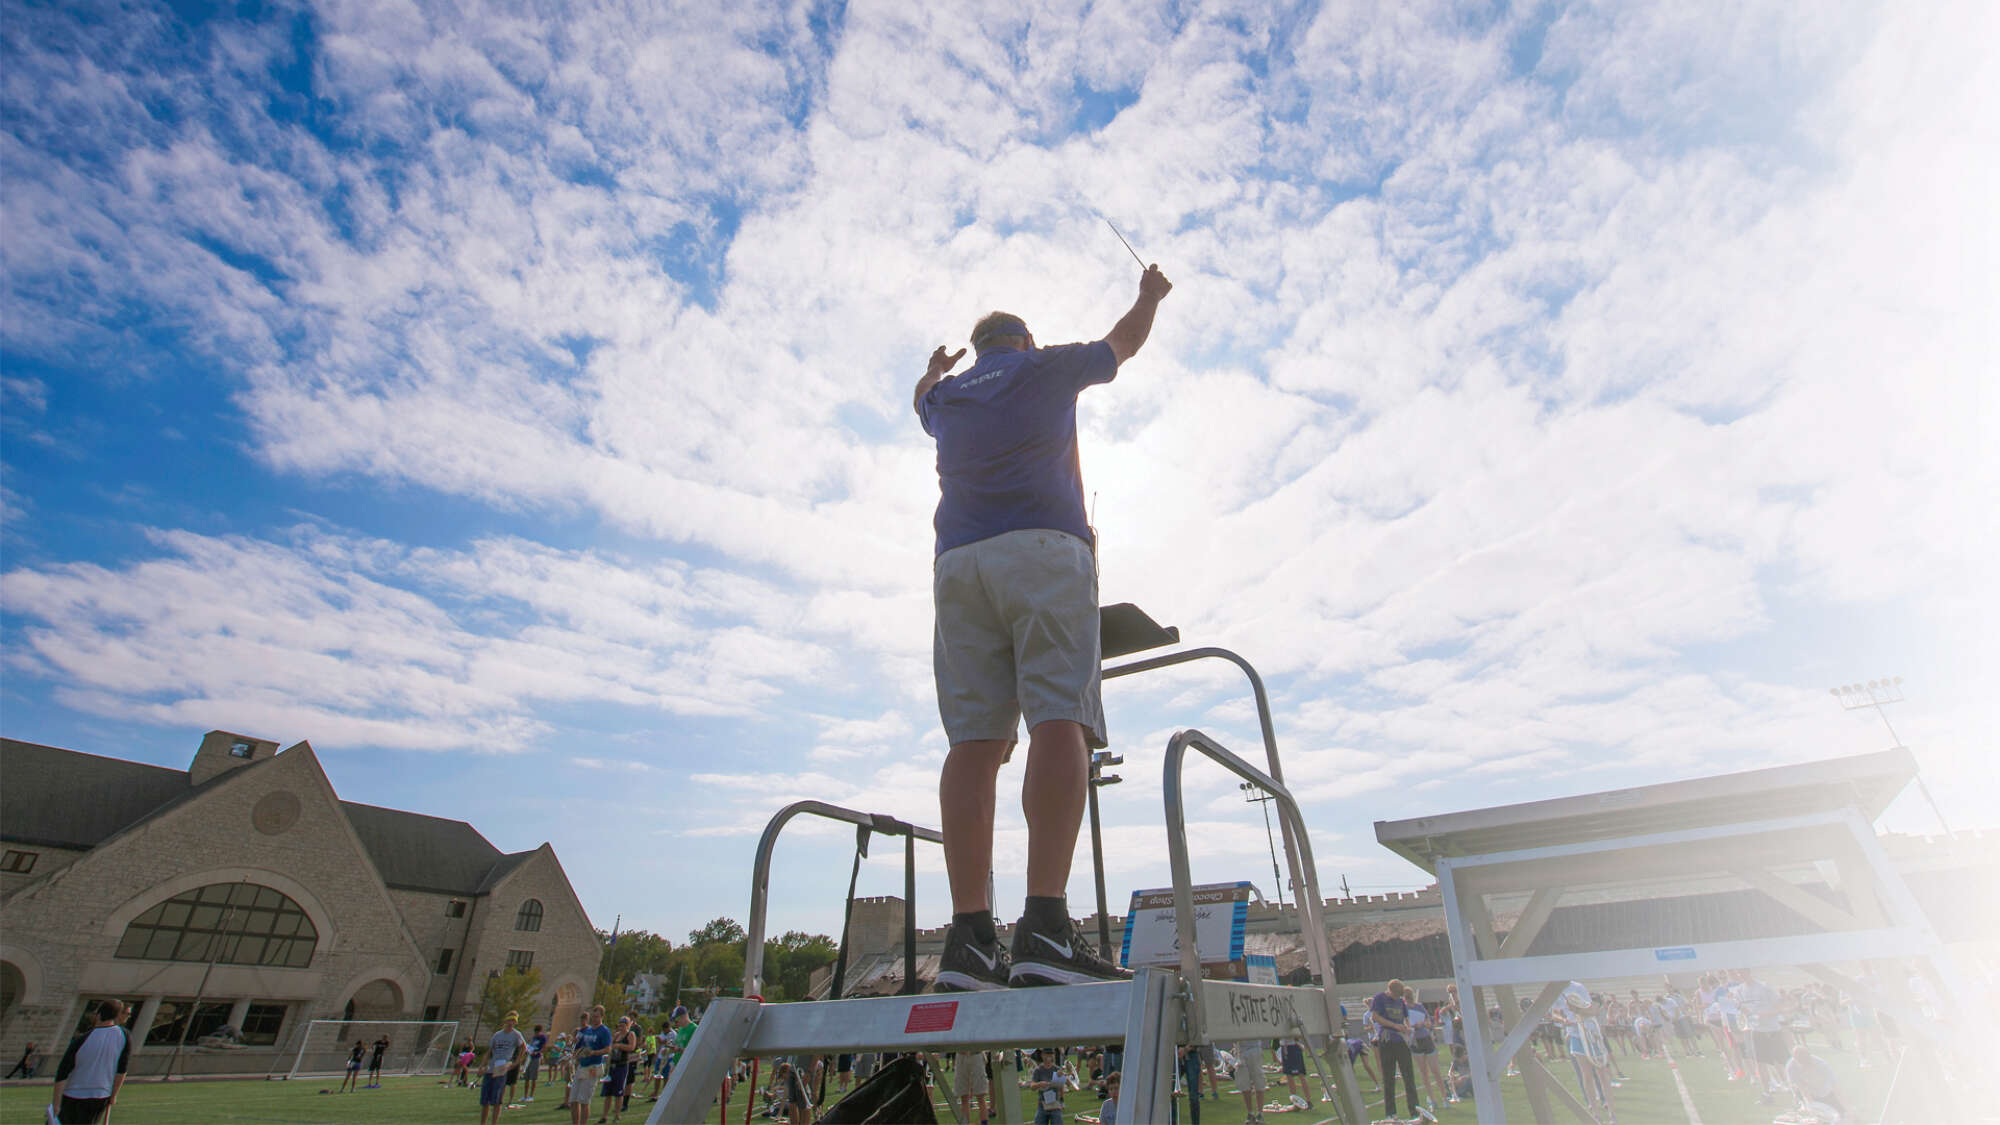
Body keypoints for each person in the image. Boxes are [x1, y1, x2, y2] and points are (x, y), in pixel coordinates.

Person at [917, 266, 1174, 992]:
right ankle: (1044, 927)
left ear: (974, 349)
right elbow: (1123, 344)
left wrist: (932, 371)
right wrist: (1150, 295)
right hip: (1042, 549)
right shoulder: (1045, 363)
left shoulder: (945, 397)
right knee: (1058, 717)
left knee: (974, 740)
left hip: (957, 565)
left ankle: (968, 941)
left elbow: (919, 399)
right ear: (1022, 340)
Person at [48, 1000, 127, 1125]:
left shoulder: (81, 1040)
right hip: (100, 1095)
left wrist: (56, 1105)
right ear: (117, 1015)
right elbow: (122, 1069)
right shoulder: (124, 1036)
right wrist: (113, 1095)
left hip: (72, 1094)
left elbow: (62, 1073)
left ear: (98, 1015)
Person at [1371, 979, 1421, 1122]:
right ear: (1390, 990)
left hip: (1401, 1041)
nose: (1397, 998)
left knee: (1409, 1076)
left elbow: (1405, 1018)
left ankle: (1414, 1110)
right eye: (1396, 995)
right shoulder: (1380, 998)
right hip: (1386, 1040)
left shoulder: (1401, 1002)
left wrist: (1407, 1027)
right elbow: (1375, 1017)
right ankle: (1390, 1113)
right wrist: (1394, 1025)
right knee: (1389, 1078)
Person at [570, 1007, 612, 1125]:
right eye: (593, 1017)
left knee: (584, 1101)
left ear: (602, 1017)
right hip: (582, 1066)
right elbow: (581, 1046)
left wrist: (594, 1052)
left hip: (593, 1067)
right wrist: (575, 1055)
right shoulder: (588, 1030)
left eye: (597, 1017)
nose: (594, 1019)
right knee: (573, 1100)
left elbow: (608, 1049)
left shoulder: (604, 1031)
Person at [1785, 1044, 1847, 1122]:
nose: (1803, 1065)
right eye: (1800, 1062)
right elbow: (1801, 1088)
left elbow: (1835, 1086)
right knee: (1812, 1115)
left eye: (1805, 1062)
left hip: (1824, 1092)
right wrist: (1810, 1105)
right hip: (1806, 1093)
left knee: (1841, 1114)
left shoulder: (1821, 1064)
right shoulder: (1791, 1067)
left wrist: (1846, 1105)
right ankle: (1802, 1105)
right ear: (1795, 1059)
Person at [599, 1013, 640, 1123]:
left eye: (623, 1025)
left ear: (627, 1025)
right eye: (619, 1025)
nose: (620, 1027)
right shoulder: (616, 1035)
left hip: (621, 1065)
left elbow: (632, 1047)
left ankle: (617, 1114)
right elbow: (610, 1046)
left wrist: (620, 1046)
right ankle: (604, 1116)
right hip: (612, 1065)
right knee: (608, 1092)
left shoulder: (630, 1034)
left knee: (618, 1092)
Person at [1030, 1047, 1073, 1125]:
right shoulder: (1038, 1070)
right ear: (1042, 1055)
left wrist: (1064, 1076)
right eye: (1046, 1054)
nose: (1048, 1057)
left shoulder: (1057, 1069)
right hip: (1042, 1105)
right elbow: (1032, 1086)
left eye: (1051, 1054)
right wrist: (1040, 1084)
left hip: (1055, 1105)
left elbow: (1067, 1085)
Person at [1233, 1039, 1268, 1125]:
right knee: (1244, 1084)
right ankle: (1250, 1114)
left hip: (1255, 1049)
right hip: (1241, 1051)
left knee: (1259, 1082)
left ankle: (1260, 1114)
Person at [953, 1050, 993, 1125]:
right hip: (961, 1055)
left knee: (980, 1096)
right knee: (964, 1096)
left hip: (976, 1054)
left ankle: (984, 1123)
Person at [524, 1024, 547, 1102]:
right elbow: (530, 1046)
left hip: (536, 1058)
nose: (536, 1034)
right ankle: (525, 1096)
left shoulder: (543, 1037)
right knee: (526, 1077)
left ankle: (531, 1096)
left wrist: (537, 1052)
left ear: (540, 1031)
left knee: (534, 1077)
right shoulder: (534, 1037)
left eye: (537, 1032)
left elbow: (544, 1048)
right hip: (530, 1057)